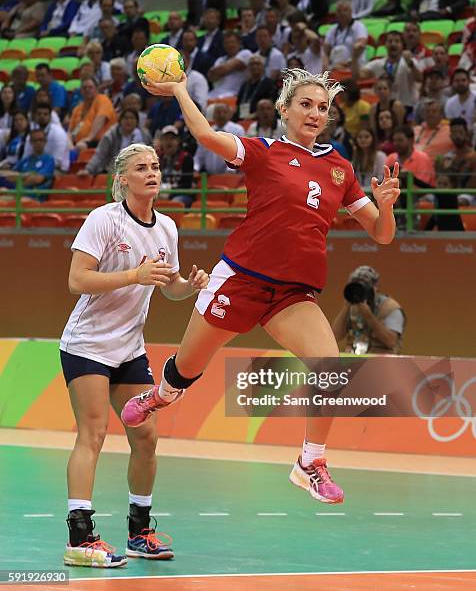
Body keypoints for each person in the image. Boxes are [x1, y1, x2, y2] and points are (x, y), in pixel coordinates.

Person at [121, 68, 401, 505]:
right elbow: (207, 136)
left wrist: (384, 207)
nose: (314, 113)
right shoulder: (263, 151)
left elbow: (383, 235)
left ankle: (311, 462)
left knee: (331, 370)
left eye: (322, 108)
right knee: (187, 368)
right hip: (240, 280)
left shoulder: (340, 168)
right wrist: (179, 89)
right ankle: (161, 394)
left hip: (292, 295)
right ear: (284, 109)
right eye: (305, 104)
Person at [59, 142, 210, 567]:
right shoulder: (103, 220)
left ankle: (139, 532)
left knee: (146, 436)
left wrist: (190, 286)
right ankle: (79, 538)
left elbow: (171, 286)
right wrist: (133, 274)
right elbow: (77, 279)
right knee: (93, 433)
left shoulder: (167, 228)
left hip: (129, 348)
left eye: (156, 166)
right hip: (87, 344)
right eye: (141, 167)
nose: (152, 173)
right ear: (122, 178)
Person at [332, 266, 406, 355]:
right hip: (353, 360)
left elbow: (391, 342)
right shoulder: (353, 306)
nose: (360, 291)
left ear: (375, 287)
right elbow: (335, 337)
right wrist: (346, 306)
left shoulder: (391, 308)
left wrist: (369, 317)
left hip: (382, 362)